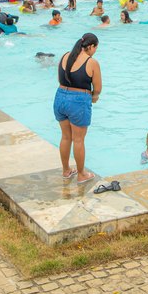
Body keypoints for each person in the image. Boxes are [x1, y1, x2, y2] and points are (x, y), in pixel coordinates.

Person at [55, 33, 102, 183]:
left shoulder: (65, 56)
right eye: (96, 48)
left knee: (65, 137)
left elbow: (59, 79)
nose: (95, 51)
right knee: (78, 140)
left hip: (60, 97)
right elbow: (98, 88)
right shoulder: (91, 62)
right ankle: (81, 174)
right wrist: (94, 98)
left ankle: (66, 171)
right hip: (78, 101)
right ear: (91, 46)